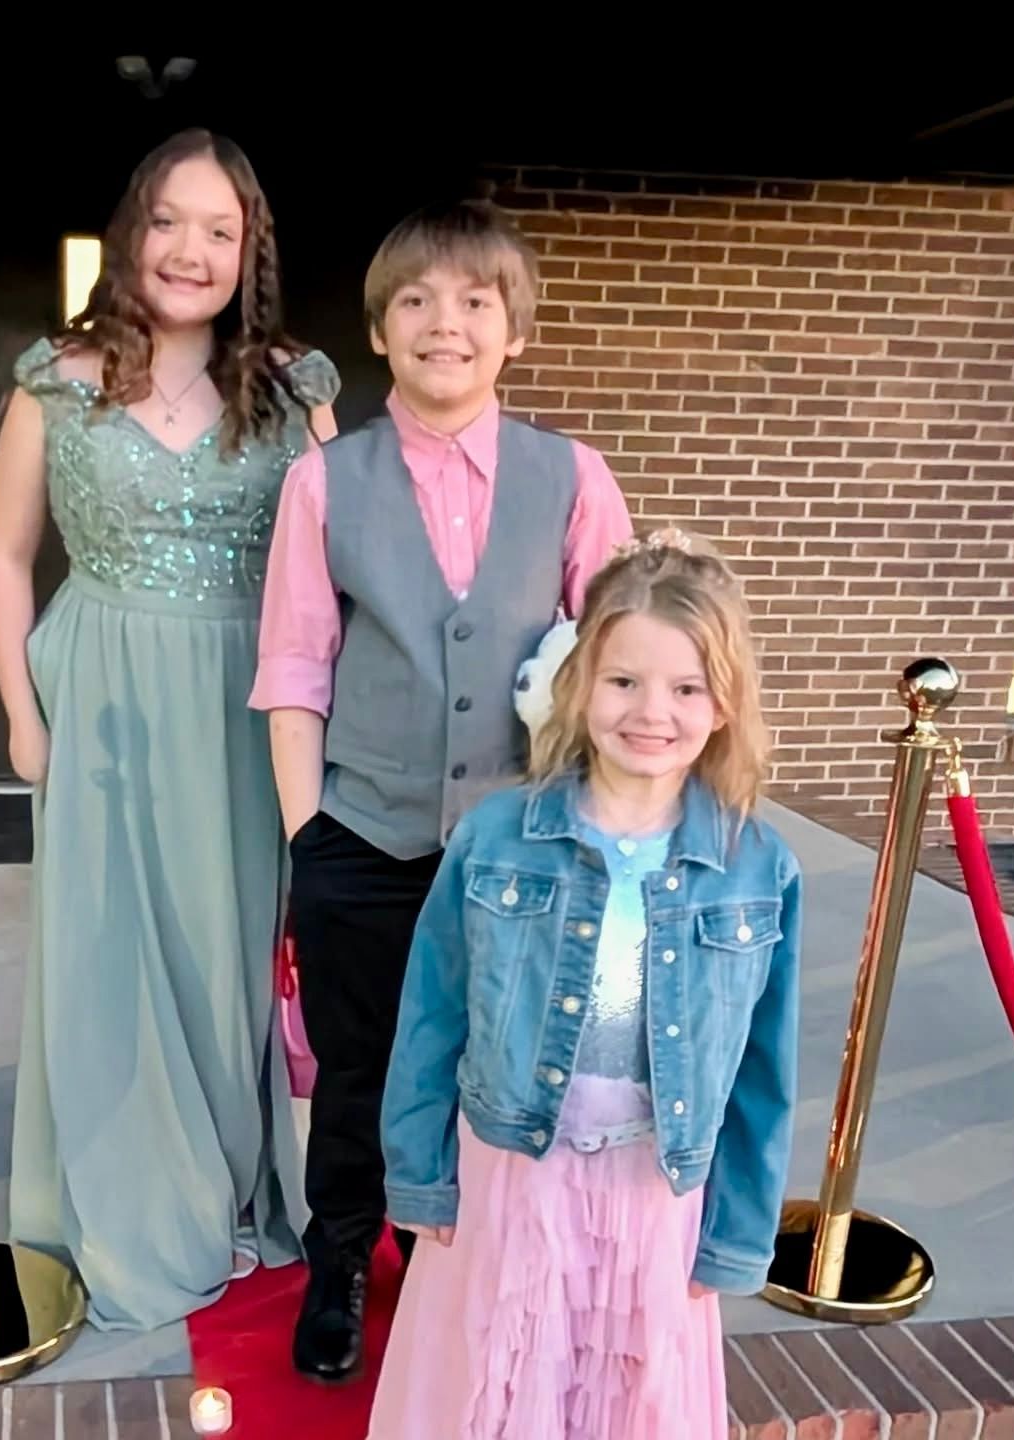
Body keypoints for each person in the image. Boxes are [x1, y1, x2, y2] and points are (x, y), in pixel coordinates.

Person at [249, 199, 634, 1381]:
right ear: (379, 329)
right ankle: (341, 1264)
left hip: (524, 844)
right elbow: (295, 664)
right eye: (415, 299)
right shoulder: (327, 483)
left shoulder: (572, 475)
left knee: (497, 1063)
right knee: (360, 1073)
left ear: (514, 329)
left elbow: (618, 654)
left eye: (475, 301)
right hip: (363, 834)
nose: (445, 323)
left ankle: (453, 1265)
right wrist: (309, 832)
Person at [0, 129, 339, 1331]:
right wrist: (22, 721)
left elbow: (342, 565)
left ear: (251, 253)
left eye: (222, 230)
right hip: (103, 700)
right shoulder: (54, 382)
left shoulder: (298, 388)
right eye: (171, 221)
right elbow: (2, 557)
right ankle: (135, 1198)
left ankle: (235, 1190)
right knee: (113, 953)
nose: (193, 250)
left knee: (230, 951)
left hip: (250, 704)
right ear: (132, 231)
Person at [370, 532, 802, 1439]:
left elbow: (765, 1072)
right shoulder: (496, 837)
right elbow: (431, 1013)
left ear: (724, 705)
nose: (653, 712)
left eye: (687, 688)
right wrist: (420, 1175)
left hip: (657, 1191)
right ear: (580, 685)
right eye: (625, 682)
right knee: (499, 1388)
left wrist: (737, 1233)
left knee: (624, 1402)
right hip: (511, 1177)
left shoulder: (757, 867)